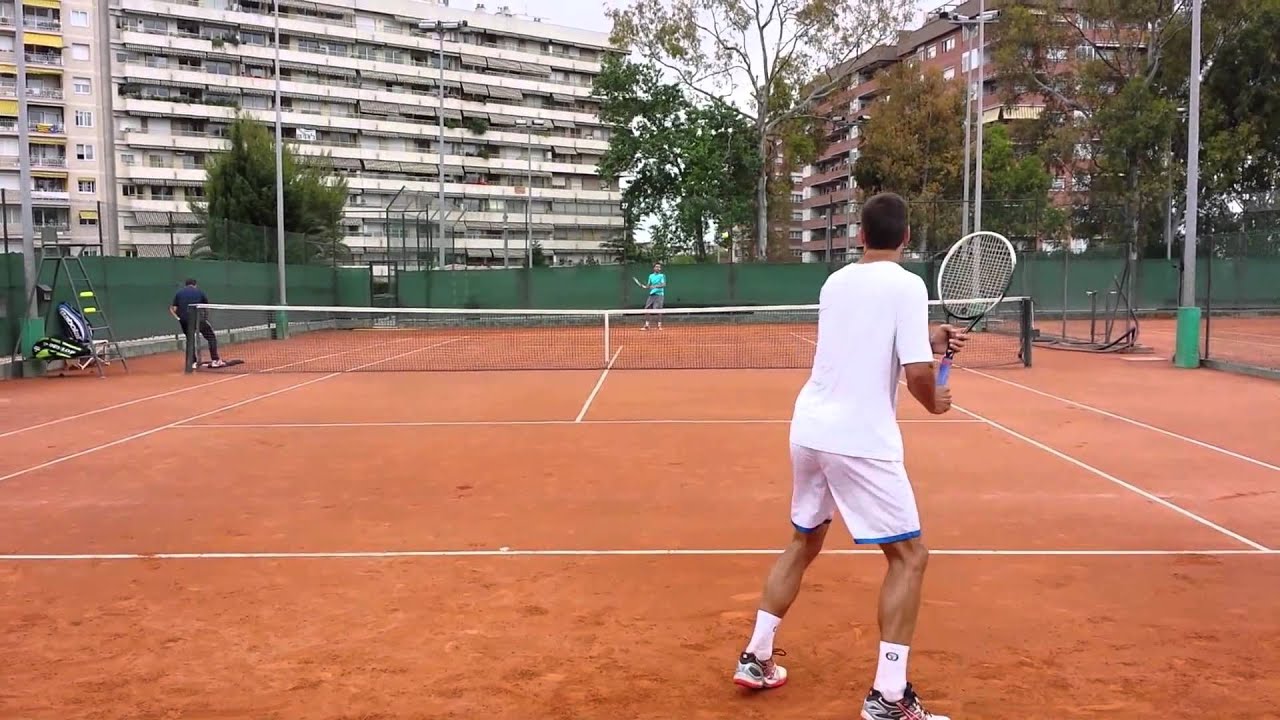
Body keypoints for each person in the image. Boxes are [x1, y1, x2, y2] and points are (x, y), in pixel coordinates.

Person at [731, 193, 965, 720]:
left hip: (810, 429)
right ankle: (888, 697)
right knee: (910, 557)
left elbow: (868, 340)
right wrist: (935, 402)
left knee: (803, 540)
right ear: (906, 238)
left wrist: (929, 338)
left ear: (861, 236)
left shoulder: (836, 282)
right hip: (860, 439)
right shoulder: (908, 284)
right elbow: (918, 376)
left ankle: (756, 658)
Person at [170, 278, 224, 368]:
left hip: (184, 321)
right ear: (195, 285)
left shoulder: (178, 293)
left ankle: (192, 363)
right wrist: (205, 318)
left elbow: (174, 309)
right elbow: (206, 307)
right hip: (198, 320)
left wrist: (179, 318)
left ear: (186, 285)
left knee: (190, 340)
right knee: (211, 337)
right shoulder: (200, 292)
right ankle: (215, 360)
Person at [641, 262, 666, 331]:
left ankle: (659, 325)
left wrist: (655, 286)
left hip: (659, 295)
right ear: (654, 268)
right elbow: (649, 285)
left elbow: (663, 284)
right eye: (656, 267)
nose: (658, 268)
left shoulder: (662, 276)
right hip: (652, 295)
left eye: (659, 267)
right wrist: (645, 287)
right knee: (647, 309)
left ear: (660, 269)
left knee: (658, 310)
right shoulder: (650, 276)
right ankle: (647, 325)